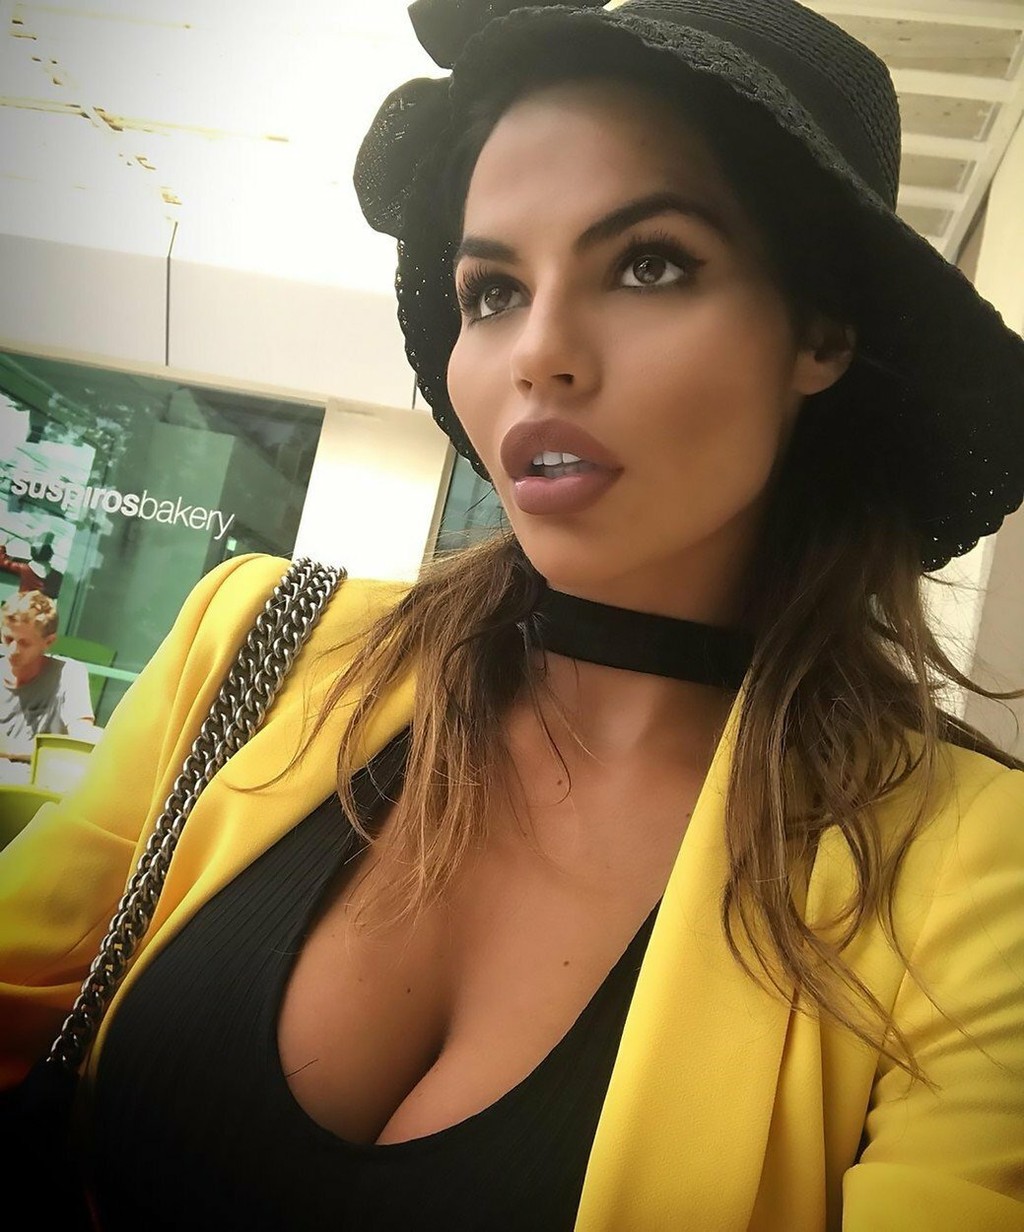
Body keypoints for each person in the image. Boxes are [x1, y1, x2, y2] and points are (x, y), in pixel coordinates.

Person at [1, 1, 1023, 1228]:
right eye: (490, 290)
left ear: (820, 333)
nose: (539, 352)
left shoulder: (969, 867)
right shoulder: (259, 640)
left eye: (649, 263)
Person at [0, 589, 95, 765]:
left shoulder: (69, 674)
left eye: (24, 643)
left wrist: (10, 750)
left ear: (49, 642)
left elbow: (81, 741)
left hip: (37, 779)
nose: (13, 650)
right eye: (8, 639)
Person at [0, 534, 64, 600]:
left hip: (23, 603)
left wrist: (2, 546)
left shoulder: (24, 569)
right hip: (44, 605)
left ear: (31, 553)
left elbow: (1, 562)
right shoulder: (58, 576)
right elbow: (56, 594)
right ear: (50, 555)